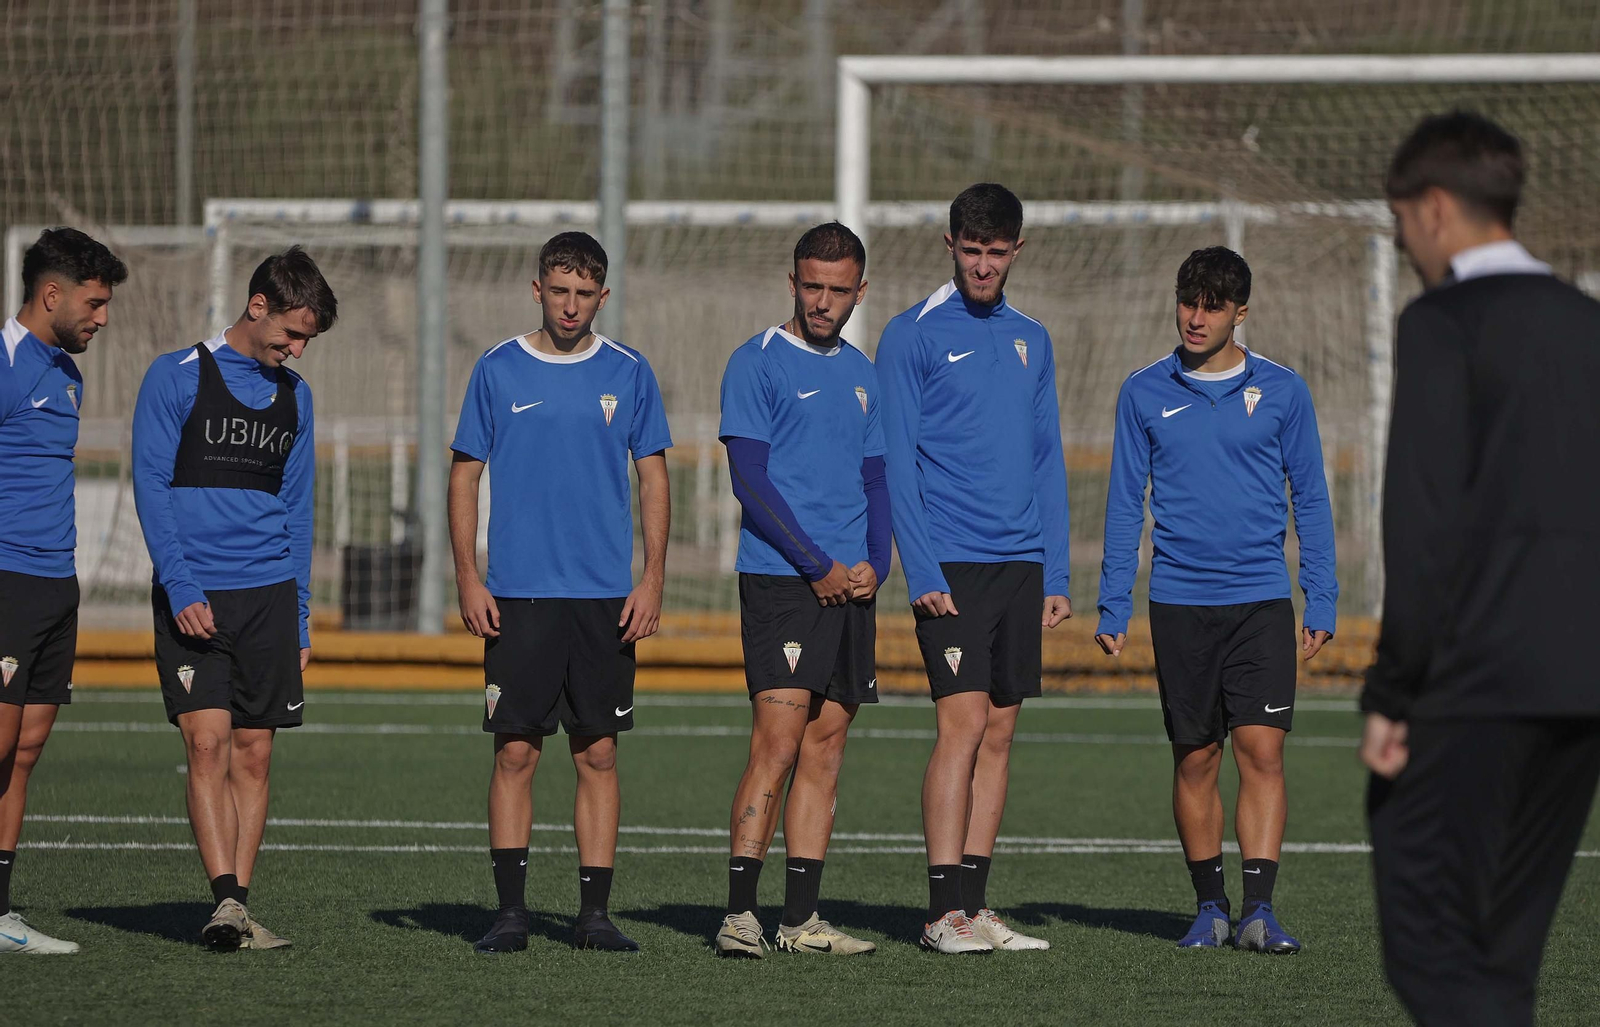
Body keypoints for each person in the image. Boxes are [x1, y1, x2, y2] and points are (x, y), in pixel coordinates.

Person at [1362, 111, 1600, 1026]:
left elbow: (1424, 522)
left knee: (1433, 948)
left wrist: (1392, 687)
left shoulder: (1444, 323)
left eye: (1399, 224)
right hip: (1582, 687)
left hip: (1477, 680)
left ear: (1432, 208)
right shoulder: (1588, 325)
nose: (1404, 246)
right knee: (1504, 954)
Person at [1094, 246, 1337, 954]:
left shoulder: (1284, 391)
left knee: (1262, 750)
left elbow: (1312, 500)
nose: (1196, 317)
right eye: (1187, 301)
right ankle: (1210, 905)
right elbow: (1121, 504)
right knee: (1197, 757)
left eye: (1212, 305)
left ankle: (1259, 908)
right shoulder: (1143, 390)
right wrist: (1114, 602)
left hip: (1260, 600)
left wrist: (1320, 595)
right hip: (1178, 603)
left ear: (1241, 313)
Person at [450, 231, 671, 955]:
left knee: (598, 752)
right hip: (517, 596)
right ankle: (511, 913)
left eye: (585, 293)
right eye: (559, 290)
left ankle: (593, 915)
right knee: (515, 751)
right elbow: (464, 474)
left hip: (604, 598)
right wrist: (468, 575)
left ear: (602, 297)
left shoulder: (630, 371)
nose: (570, 305)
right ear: (536, 289)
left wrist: (652, 578)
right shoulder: (497, 368)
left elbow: (654, 477)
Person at [876, 183, 1068, 954]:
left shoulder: (1033, 337)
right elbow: (895, 462)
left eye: (997, 252)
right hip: (948, 565)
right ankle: (940, 912)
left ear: (1016, 250)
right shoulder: (909, 335)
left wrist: (1055, 571)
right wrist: (919, 567)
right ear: (948, 245)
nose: (983, 265)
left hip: (1021, 565)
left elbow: (1047, 457)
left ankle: (978, 906)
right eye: (971, 250)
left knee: (1000, 731)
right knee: (961, 725)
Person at [132, 246, 335, 952]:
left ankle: (237, 908)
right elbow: (150, 485)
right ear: (258, 306)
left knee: (253, 753)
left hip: (270, 596)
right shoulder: (176, 376)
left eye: (307, 338)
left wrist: (301, 612)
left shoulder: (296, 397)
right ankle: (223, 899)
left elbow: (299, 507)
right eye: (293, 332)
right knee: (207, 741)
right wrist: (180, 584)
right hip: (196, 597)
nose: (297, 348)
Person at [712, 222, 888, 958]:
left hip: (852, 588)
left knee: (826, 746)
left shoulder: (863, 371)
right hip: (786, 583)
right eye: (810, 285)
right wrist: (816, 562)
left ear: (859, 291)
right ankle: (739, 915)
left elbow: (876, 480)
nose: (822, 300)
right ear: (793, 281)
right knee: (777, 744)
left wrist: (877, 560)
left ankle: (801, 920)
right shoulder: (755, 363)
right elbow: (749, 479)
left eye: (837, 289)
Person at [0, 228, 126, 955]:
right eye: (95, 302)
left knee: (23, 750)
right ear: (52, 295)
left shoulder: (67, 374)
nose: (102, 318)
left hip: (56, 587)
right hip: (6, 583)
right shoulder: (7, 363)